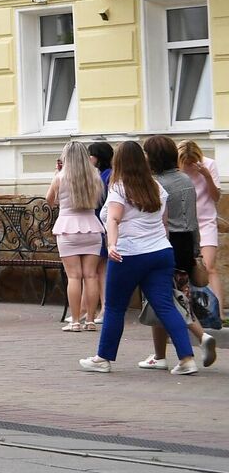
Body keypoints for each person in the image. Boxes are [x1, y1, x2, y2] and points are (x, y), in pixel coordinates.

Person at [81, 139, 198, 375]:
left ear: (120, 162)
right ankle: (187, 359)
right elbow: (164, 225)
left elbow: (113, 219)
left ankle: (103, 358)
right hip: (160, 253)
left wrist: (112, 244)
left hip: (129, 254)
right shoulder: (156, 187)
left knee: (114, 307)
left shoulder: (119, 188)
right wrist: (160, 245)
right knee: (166, 306)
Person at [143, 135, 214, 369]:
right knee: (174, 296)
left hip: (164, 242)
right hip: (185, 244)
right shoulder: (185, 180)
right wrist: (196, 252)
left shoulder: (156, 183)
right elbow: (192, 220)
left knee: (163, 298)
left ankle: (200, 336)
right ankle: (160, 356)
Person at [49, 140, 105, 331]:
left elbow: (50, 200)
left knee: (74, 277)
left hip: (67, 227)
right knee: (91, 276)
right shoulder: (95, 176)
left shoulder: (60, 177)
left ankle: (74, 321)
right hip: (92, 227)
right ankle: (90, 320)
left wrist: (56, 174)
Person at [179, 140, 221, 308]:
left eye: (191, 161)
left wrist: (207, 176)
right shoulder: (176, 168)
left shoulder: (209, 164)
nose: (189, 165)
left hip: (205, 221)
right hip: (184, 224)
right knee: (185, 270)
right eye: (185, 161)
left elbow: (216, 197)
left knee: (209, 267)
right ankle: (192, 311)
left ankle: (217, 312)